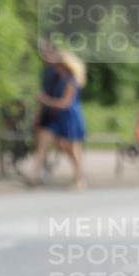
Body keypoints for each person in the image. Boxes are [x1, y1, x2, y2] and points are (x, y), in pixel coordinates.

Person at [31, 48, 86, 189]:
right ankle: (34, 176)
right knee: (42, 143)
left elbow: (65, 103)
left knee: (70, 148)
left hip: (69, 118)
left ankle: (79, 178)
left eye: (57, 64)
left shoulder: (70, 80)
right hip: (54, 117)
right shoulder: (56, 79)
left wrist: (45, 101)